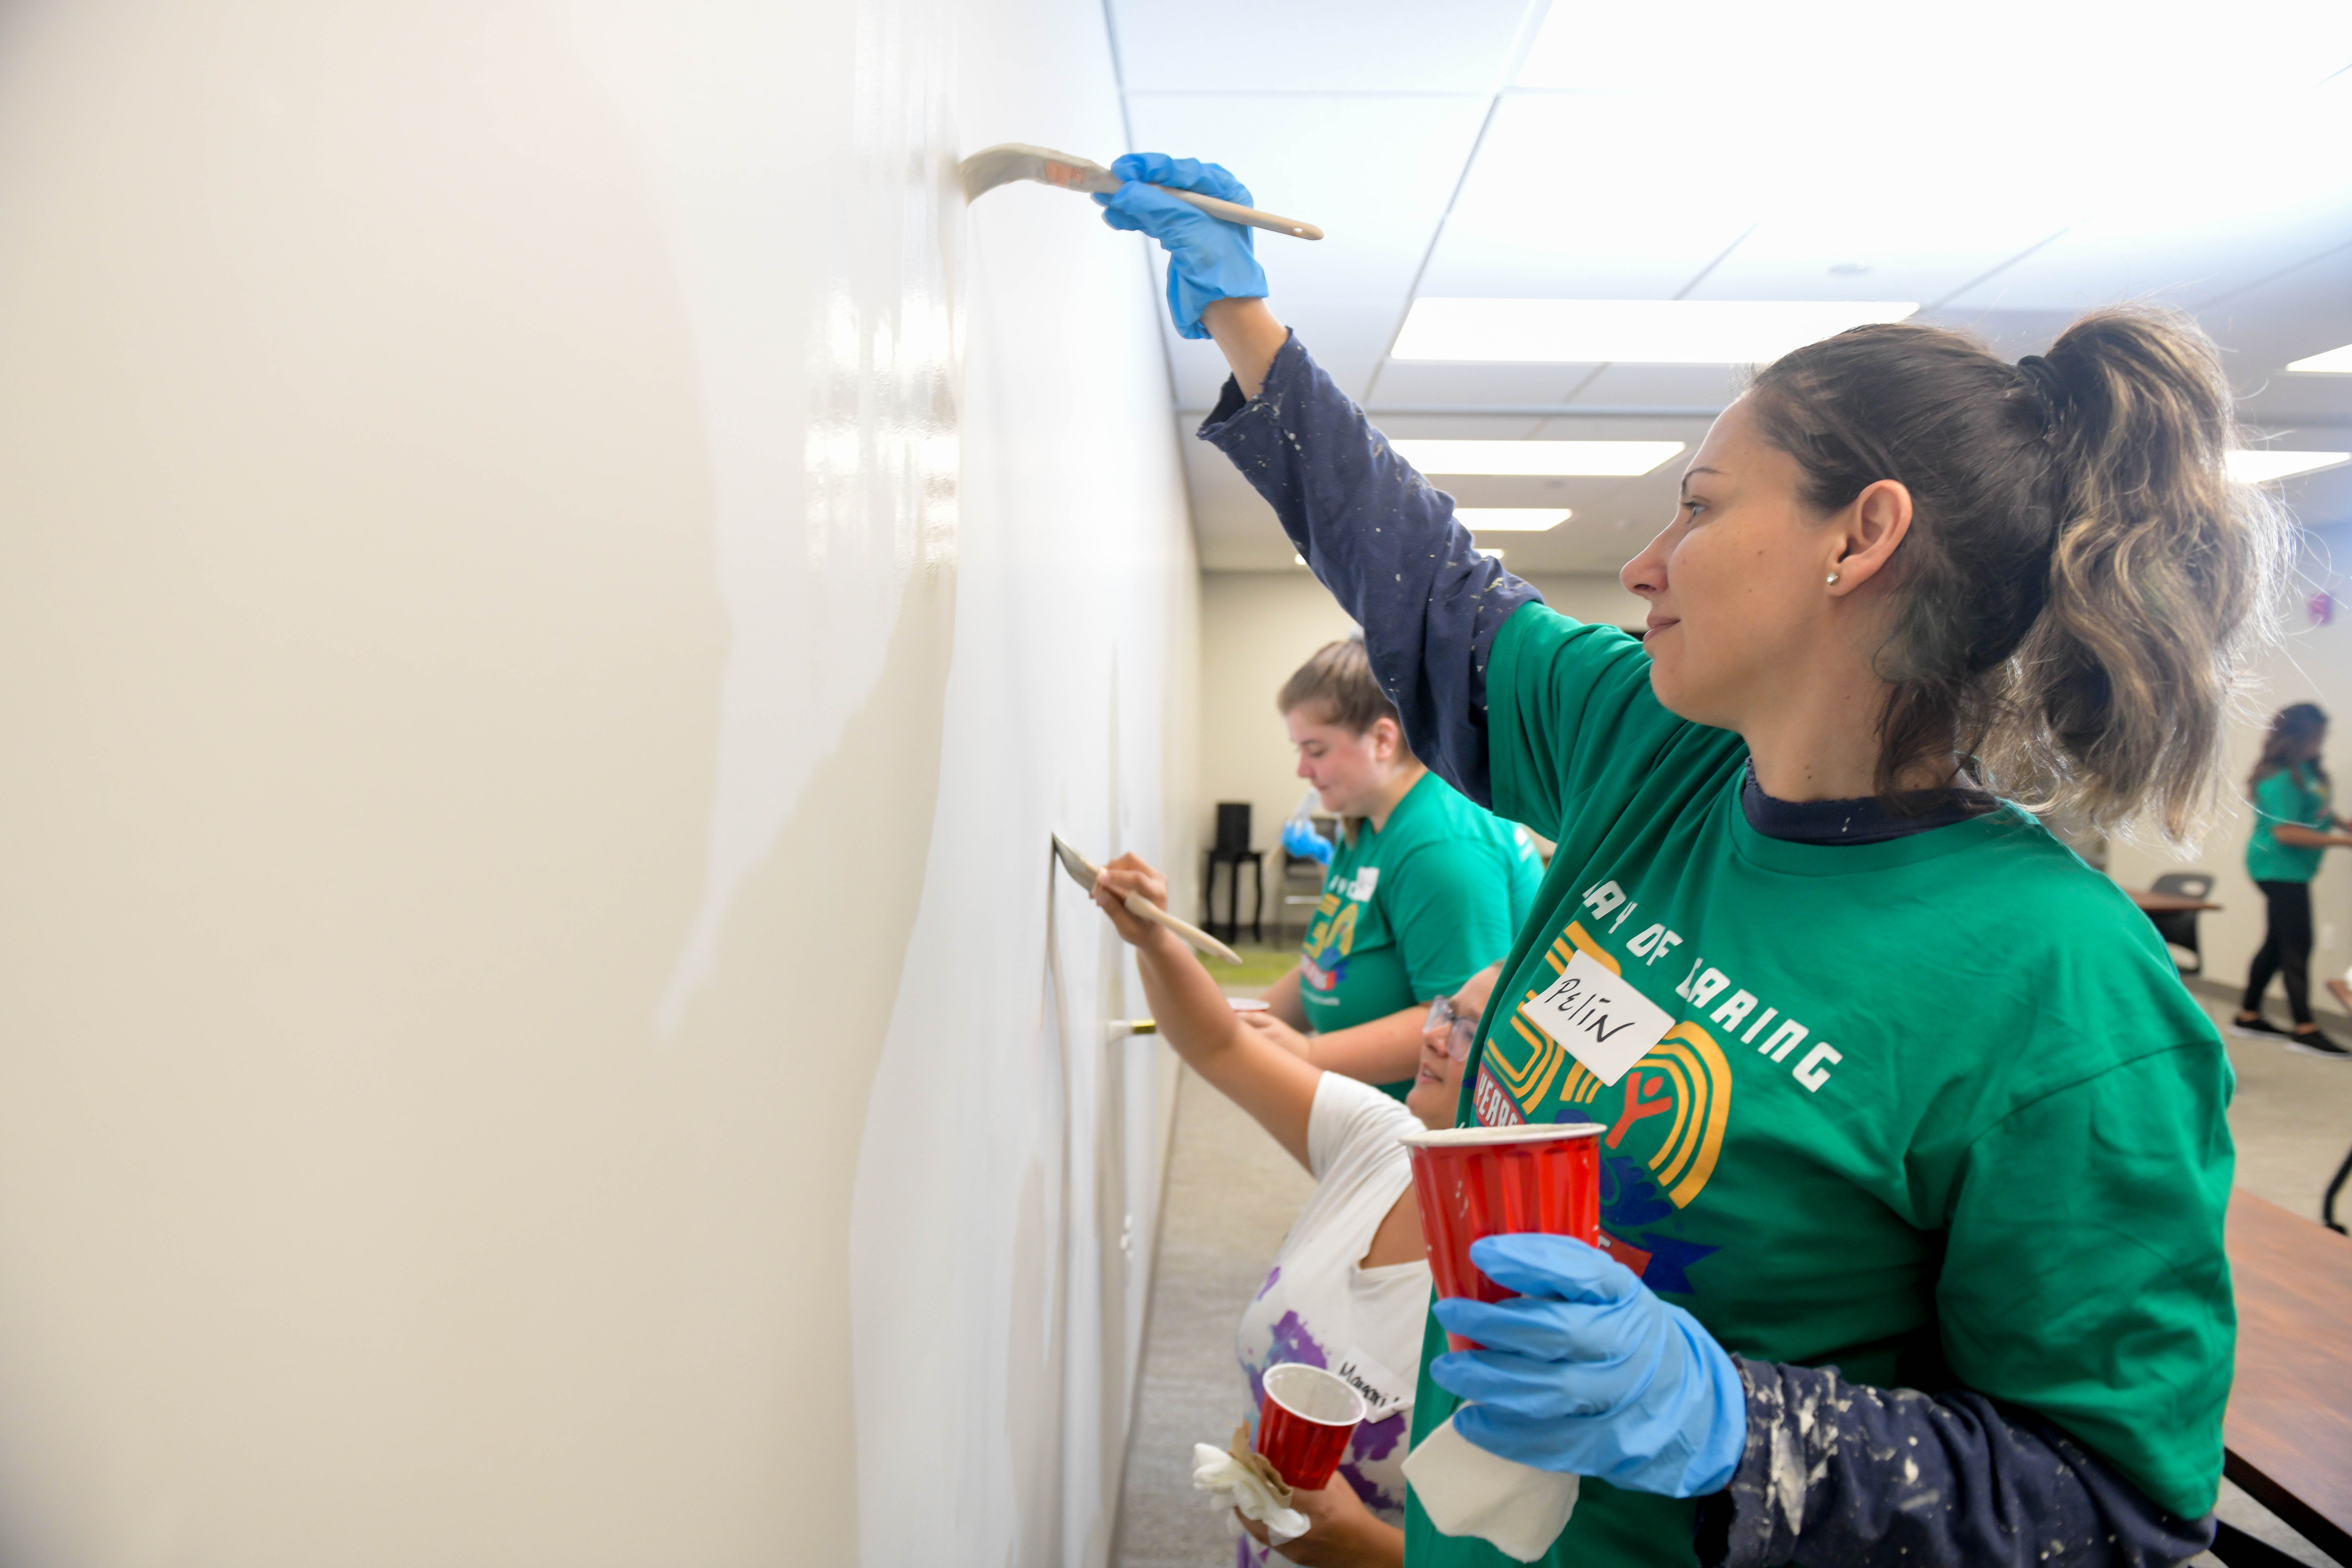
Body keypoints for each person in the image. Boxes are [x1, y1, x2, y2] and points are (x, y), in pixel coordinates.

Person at [1097, 153, 2290, 1567]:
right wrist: (1246, 324)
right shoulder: (1653, 749)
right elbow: (1434, 594)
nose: (1648, 561)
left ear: (1863, 536)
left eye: (1703, 505)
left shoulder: (2063, 988)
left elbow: (2112, 1509)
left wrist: (1739, 1420)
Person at [1089, 850, 1501, 1568]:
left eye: (1467, 1029)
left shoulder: (1528, 1294)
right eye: (1444, 1011)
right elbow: (1220, 1043)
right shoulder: (1384, 1140)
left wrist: (1363, 1548)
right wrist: (1154, 937)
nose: (1432, 1034)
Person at [1248, 638, 1543, 1098]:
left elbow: (1457, 1028)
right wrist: (1238, 1022)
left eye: (1316, 750)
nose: (1303, 770)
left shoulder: (1442, 846)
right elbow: (1330, 961)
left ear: (1384, 740)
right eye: (1299, 750)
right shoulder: (1363, 818)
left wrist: (1306, 1053)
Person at [2231, 702, 2352, 1057]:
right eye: (2316, 737)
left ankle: (2248, 1015)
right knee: (2298, 944)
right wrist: (2344, 842)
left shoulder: (2307, 771)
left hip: (2295, 870)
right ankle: (2305, 1028)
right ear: (2297, 737)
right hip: (2276, 868)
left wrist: (2342, 824)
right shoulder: (2280, 778)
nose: (2320, 743)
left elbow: (2317, 810)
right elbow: (2285, 832)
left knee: (2277, 943)